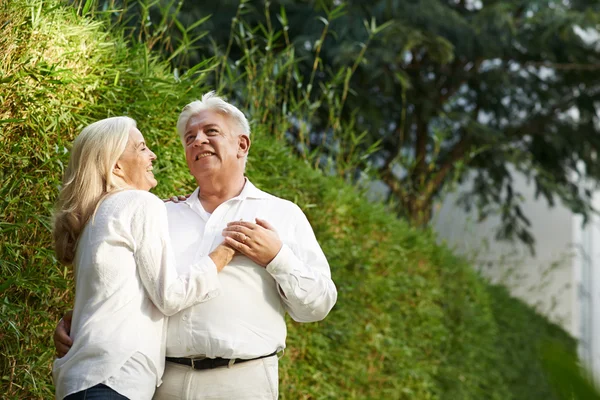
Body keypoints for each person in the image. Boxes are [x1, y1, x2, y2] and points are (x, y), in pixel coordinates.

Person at [55, 92, 337, 399]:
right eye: (190, 137)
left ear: (242, 145)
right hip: (163, 385)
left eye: (210, 132)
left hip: (243, 382)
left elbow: (318, 305)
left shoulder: (282, 214)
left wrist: (277, 257)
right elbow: (120, 284)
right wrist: (79, 324)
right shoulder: (159, 213)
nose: (197, 141)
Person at [51, 116, 235, 400]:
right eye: (141, 148)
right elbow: (170, 297)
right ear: (116, 166)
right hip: (113, 379)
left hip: (84, 381)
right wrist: (223, 254)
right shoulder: (139, 203)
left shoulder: (95, 215)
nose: (153, 155)